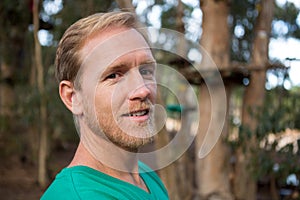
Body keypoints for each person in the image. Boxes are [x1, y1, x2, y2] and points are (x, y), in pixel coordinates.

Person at [41, 11, 169, 200]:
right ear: (72, 98)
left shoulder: (145, 175)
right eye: (114, 75)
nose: (143, 90)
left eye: (146, 70)